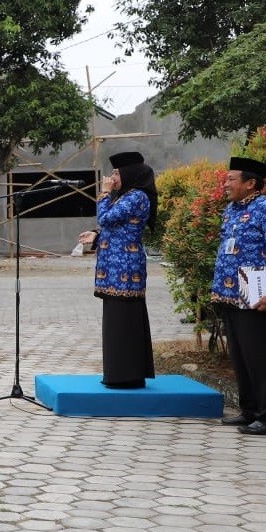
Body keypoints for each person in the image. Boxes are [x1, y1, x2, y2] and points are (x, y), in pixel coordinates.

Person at [211, 156, 266, 436]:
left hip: (257, 296)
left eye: (231, 179)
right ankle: (249, 411)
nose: (226, 184)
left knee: (260, 357)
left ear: (251, 183)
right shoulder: (232, 210)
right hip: (231, 295)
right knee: (241, 356)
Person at [94, 151, 158, 390]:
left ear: (130, 174)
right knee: (115, 321)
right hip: (113, 266)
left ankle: (127, 375)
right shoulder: (124, 197)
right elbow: (114, 228)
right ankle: (117, 373)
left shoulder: (137, 197)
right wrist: (96, 238)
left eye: (117, 173)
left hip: (126, 268)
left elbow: (106, 219)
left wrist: (104, 193)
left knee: (125, 319)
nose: (112, 178)